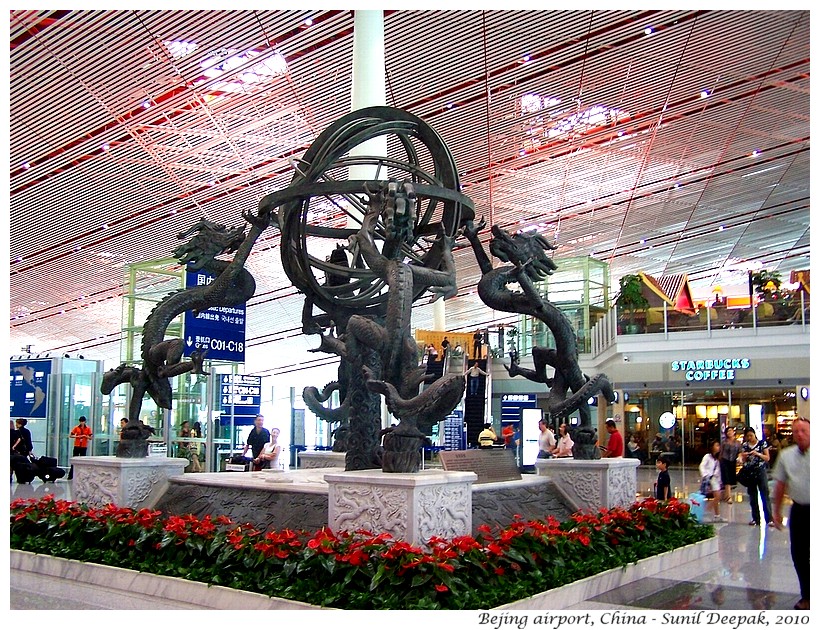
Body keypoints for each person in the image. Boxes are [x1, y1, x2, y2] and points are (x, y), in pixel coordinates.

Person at [772, 417, 810, 611]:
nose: (800, 434)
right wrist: (776, 511)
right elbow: (780, 484)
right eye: (796, 431)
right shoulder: (786, 456)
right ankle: (807, 596)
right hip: (799, 511)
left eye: (804, 430)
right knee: (800, 555)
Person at [739, 427, 773, 527]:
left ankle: (769, 519)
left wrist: (757, 454)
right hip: (750, 472)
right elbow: (743, 460)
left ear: (755, 434)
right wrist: (743, 457)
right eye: (747, 436)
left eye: (751, 435)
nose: (750, 438)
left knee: (764, 494)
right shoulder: (745, 446)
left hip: (760, 471)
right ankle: (755, 518)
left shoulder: (762, 444)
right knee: (752, 496)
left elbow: (767, 458)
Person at [699, 440, 725, 522]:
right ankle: (706, 510)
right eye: (716, 445)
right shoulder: (707, 456)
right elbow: (702, 466)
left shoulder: (717, 458)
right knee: (717, 497)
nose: (718, 447)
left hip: (716, 479)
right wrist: (705, 476)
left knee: (717, 497)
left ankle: (717, 515)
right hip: (710, 478)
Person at [719, 426, 741, 503]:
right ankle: (729, 497)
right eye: (728, 431)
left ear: (734, 432)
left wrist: (739, 458)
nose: (729, 432)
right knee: (726, 479)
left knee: (731, 479)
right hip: (724, 461)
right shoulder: (724, 442)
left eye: (731, 431)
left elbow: (740, 452)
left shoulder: (738, 443)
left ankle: (725, 495)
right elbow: (721, 452)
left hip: (733, 461)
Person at [68, 415, 93, 480]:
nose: (82, 423)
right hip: (77, 445)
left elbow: (90, 437)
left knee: (82, 461)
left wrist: (85, 436)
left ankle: (82, 476)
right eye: (81, 421)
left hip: (83, 446)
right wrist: (77, 437)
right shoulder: (76, 428)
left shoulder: (88, 429)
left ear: (85, 422)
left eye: (83, 421)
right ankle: (71, 475)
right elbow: (71, 435)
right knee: (74, 460)